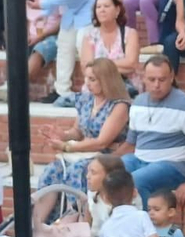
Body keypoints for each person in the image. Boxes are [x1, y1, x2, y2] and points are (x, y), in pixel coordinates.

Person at [120, 55, 185, 204]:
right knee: (109, 175)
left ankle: (145, 225)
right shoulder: (138, 103)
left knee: (135, 181)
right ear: (143, 78)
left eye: (162, 80)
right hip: (139, 160)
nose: (156, 85)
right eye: (152, 80)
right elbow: (130, 144)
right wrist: (104, 162)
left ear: (171, 78)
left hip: (172, 166)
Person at [39, 58, 130, 192]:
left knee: (77, 170)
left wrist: (67, 147)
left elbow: (101, 142)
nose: (87, 83)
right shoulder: (86, 100)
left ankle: (77, 211)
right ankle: (41, 213)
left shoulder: (119, 105)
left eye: (92, 79)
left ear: (106, 80)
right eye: (86, 78)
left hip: (107, 155)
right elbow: (78, 131)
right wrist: (62, 135)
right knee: (52, 170)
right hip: (84, 151)